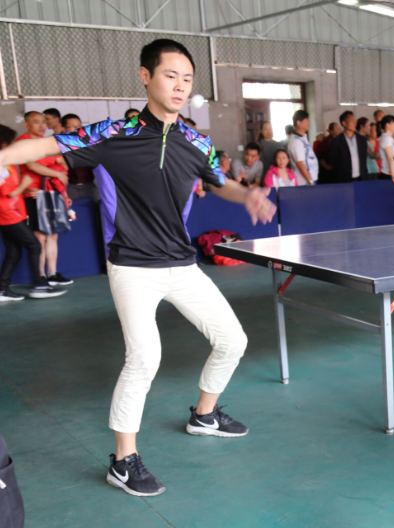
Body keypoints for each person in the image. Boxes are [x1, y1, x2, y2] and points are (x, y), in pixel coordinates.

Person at [0, 39, 276, 497]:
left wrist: (245, 194)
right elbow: (45, 144)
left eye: (187, 79)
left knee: (233, 340)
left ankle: (204, 415)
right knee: (144, 357)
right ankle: (123, 461)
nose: (180, 86)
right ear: (146, 77)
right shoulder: (113, 133)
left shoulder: (196, 141)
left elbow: (218, 182)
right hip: (131, 265)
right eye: (171, 76)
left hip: (181, 263)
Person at [0, 125, 65, 301]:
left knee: (14, 252)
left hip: (13, 213)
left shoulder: (7, 164)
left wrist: (26, 188)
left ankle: (2, 289)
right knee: (34, 245)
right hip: (8, 214)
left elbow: (12, 189)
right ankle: (40, 285)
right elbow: (7, 192)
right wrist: (24, 184)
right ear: (4, 143)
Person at [18, 111, 72, 287]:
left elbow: (63, 163)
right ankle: (40, 276)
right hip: (34, 194)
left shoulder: (49, 141)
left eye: (43, 121)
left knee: (53, 235)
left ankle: (52, 273)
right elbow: (32, 165)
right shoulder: (23, 141)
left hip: (53, 193)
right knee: (40, 237)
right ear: (26, 124)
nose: (41, 125)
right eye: (36, 122)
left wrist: (64, 191)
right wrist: (56, 172)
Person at [61, 114, 99, 201]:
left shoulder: (89, 144)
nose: (77, 129)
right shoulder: (59, 147)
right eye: (73, 127)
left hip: (89, 186)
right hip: (70, 188)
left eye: (79, 126)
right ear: (63, 129)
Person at [328, 111, 369, 183]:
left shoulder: (362, 139)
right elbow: (333, 161)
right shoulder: (336, 141)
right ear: (344, 123)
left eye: (355, 120)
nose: (355, 123)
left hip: (361, 179)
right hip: (344, 180)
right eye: (352, 121)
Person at [287, 110, 318, 187]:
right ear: (298, 122)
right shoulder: (296, 141)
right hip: (305, 182)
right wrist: (310, 181)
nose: (308, 123)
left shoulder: (302, 137)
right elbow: (300, 163)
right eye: (306, 121)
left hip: (310, 179)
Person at [377, 115, 394, 184]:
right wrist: (393, 176)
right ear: (388, 125)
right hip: (389, 174)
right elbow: (390, 158)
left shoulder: (390, 138)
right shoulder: (387, 139)